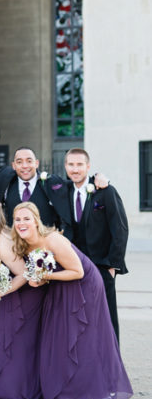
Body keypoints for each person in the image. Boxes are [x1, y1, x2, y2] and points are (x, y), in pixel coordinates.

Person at [12, 202, 132, 399]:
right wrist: (39, 280)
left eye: (26, 219)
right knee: (61, 332)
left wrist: (45, 276)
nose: (22, 223)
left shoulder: (52, 239)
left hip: (84, 284)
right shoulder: (24, 244)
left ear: (36, 221)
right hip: (61, 284)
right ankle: (66, 386)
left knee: (83, 335)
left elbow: (78, 271)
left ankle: (91, 389)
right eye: (17, 219)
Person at [0, 197, 43, 399]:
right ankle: (2, 388)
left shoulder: (2, 242)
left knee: (14, 344)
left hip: (22, 294)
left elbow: (24, 273)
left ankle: (15, 389)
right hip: (5, 293)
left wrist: (0, 293)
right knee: (0, 341)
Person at [64, 147, 128, 342]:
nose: (75, 169)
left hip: (102, 266)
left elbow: (120, 228)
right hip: (73, 267)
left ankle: (112, 358)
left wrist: (112, 266)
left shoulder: (105, 191)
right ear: (65, 166)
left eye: (79, 164)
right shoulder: (63, 191)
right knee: (79, 318)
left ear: (88, 166)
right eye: (71, 164)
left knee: (106, 318)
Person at [0, 147, 72, 237]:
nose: (25, 166)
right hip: (14, 241)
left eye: (29, 161)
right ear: (14, 166)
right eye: (19, 162)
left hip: (44, 241)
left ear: (36, 163)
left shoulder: (51, 183)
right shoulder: (6, 183)